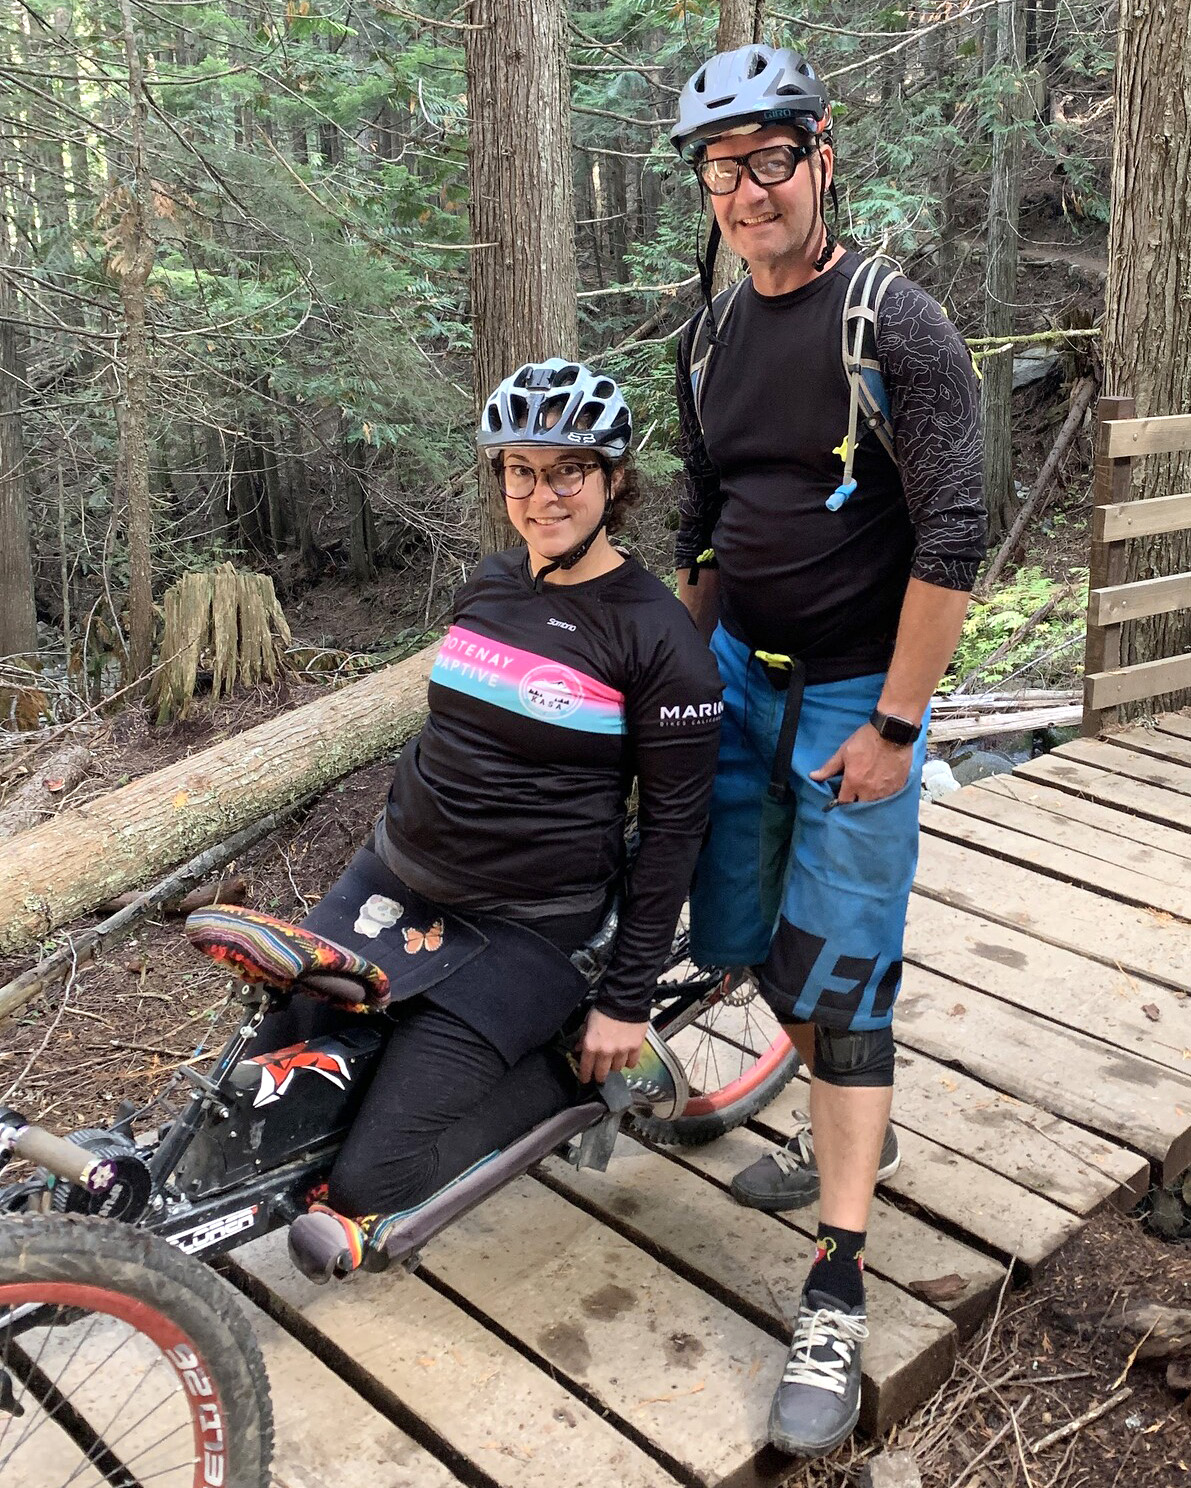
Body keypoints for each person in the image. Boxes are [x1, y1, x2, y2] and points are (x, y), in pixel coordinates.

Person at [668, 46, 987, 1457]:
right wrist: (675, 694)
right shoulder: (706, 336)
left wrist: (895, 728)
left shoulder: (890, 324)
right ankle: (836, 1125)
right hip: (739, 681)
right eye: (718, 169)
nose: (745, 191)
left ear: (820, 156)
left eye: (767, 159)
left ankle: (837, 1276)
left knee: (841, 981)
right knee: (739, 935)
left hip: (859, 694)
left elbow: (954, 534)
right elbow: (697, 521)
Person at [228, 360, 723, 1260]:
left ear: (615, 481)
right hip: (394, 881)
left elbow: (676, 829)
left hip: (526, 923)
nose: (542, 495)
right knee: (275, 1095)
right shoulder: (489, 586)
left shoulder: (659, 639)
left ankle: (580, 1069)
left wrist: (624, 1000)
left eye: (568, 470)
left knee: (369, 1184)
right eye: (520, 471)